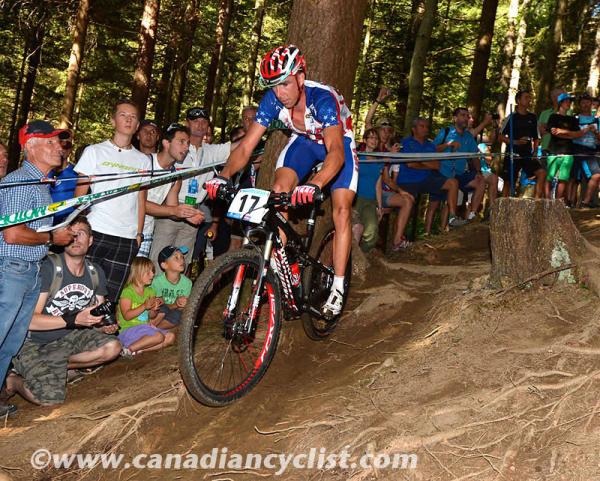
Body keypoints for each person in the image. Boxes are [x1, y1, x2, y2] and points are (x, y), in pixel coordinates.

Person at [207, 45, 358, 318]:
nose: (280, 93)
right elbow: (245, 148)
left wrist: (316, 183)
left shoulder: (322, 99)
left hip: (336, 142)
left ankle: (337, 285)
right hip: (303, 142)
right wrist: (223, 176)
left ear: (301, 77)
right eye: (274, 86)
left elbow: (336, 152)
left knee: (342, 209)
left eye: (286, 84)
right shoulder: (272, 100)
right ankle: (282, 265)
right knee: (278, 191)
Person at [0, 120, 75, 416]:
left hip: (28, 272)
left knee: (11, 341)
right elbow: (13, 234)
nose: (59, 148)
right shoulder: (23, 181)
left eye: (60, 142)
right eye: (51, 142)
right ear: (31, 146)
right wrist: (53, 238)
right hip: (11, 270)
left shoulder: (41, 184)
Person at [5, 216, 120, 406]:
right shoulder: (49, 268)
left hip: (67, 338)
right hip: (32, 343)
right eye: (70, 233)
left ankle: (56, 366)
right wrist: (73, 320)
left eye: (81, 233)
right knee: (49, 398)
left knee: (113, 347)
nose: (75, 238)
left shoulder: (95, 271)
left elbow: (97, 316)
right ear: (62, 238)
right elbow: (29, 321)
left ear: (90, 240)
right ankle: (13, 380)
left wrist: (104, 326)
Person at [74, 99, 151, 301]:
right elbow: (80, 193)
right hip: (96, 230)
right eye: (123, 115)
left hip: (127, 236)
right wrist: (75, 225)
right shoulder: (94, 151)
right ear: (112, 120)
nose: (128, 120)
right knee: (81, 287)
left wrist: (139, 233)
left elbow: (141, 198)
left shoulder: (143, 160)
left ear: (137, 126)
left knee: (109, 295)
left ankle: (99, 333)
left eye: (133, 117)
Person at [150, 106, 235, 267]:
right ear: (187, 123)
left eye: (204, 121)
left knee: (184, 262)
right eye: (195, 121)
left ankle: (181, 293)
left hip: (194, 213)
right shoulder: (178, 148)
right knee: (159, 259)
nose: (200, 124)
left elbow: (240, 146)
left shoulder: (212, 151)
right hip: (169, 211)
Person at [387, 117, 467, 234]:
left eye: (426, 127)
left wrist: (420, 161)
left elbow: (436, 165)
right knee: (405, 208)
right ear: (414, 129)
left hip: (427, 178)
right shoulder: (405, 143)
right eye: (422, 126)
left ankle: (452, 217)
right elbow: (410, 164)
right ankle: (398, 239)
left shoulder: (430, 145)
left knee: (453, 183)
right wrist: (425, 163)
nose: (425, 129)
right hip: (407, 180)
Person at [139, 124, 204, 259]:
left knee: (139, 278)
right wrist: (174, 211)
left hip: (146, 231)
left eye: (187, 143)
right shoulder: (144, 163)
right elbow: (139, 203)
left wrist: (186, 214)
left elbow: (172, 209)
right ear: (166, 143)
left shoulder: (175, 176)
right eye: (181, 142)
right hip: (126, 228)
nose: (186, 147)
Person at [356, 129, 414, 252]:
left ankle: (360, 256)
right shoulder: (357, 157)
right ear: (365, 140)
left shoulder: (379, 161)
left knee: (372, 234)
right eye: (371, 138)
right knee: (356, 228)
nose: (374, 140)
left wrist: (380, 206)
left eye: (376, 138)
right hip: (355, 199)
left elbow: (378, 184)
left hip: (371, 201)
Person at [432, 107, 487, 222]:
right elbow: (432, 149)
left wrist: (478, 172)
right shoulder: (446, 131)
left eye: (467, 116)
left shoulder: (468, 136)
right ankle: (439, 230)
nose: (466, 118)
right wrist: (448, 144)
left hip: (460, 174)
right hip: (443, 174)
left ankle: (472, 213)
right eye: (463, 115)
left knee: (481, 180)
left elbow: (474, 156)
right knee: (434, 205)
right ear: (455, 118)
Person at [117, 257, 174, 357]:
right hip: (128, 330)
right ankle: (128, 349)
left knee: (171, 337)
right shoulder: (127, 291)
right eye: (148, 272)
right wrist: (144, 306)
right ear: (138, 272)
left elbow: (151, 316)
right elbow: (126, 316)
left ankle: (136, 350)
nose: (152, 274)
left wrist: (154, 309)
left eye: (152, 271)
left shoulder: (150, 291)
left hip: (144, 328)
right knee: (159, 337)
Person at [546, 93, 593, 200]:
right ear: (560, 103)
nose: (569, 103)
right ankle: (547, 201)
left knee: (564, 179)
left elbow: (577, 134)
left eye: (570, 101)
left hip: (568, 152)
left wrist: (563, 132)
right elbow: (554, 132)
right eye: (567, 101)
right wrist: (571, 135)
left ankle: (558, 202)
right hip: (554, 151)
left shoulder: (572, 119)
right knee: (549, 177)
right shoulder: (553, 117)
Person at [500, 90, 546, 198]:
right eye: (526, 97)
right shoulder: (511, 117)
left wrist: (535, 151)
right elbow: (500, 136)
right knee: (508, 181)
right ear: (518, 100)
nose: (529, 100)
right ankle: (503, 206)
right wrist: (515, 142)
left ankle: (537, 202)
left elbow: (536, 137)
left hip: (527, 153)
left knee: (541, 173)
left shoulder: (533, 117)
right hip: (512, 153)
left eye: (529, 97)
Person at [151, 246, 192, 329]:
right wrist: (175, 304)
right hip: (160, 311)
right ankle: (150, 327)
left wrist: (182, 304)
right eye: (176, 258)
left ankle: (155, 329)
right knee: (163, 309)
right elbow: (158, 305)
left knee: (179, 315)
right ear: (164, 265)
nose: (182, 260)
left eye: (182, 257)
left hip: (174, 312)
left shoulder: (187, 283)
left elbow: (182, 308)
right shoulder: (156, 282)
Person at [575, 94, 600, 207]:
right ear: (580, 105)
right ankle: (577, 202)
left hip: (592, 151)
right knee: (574, 178)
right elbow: (571, 135)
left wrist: (595, 132)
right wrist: (584, 130)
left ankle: (585, 202)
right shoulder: (575, 118)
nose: (585, 104)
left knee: (596, 176)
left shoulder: (596, 119)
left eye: (587, 102)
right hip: (579, 151)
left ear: (592, 104)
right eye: (583, 102)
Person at [49, 131, 78, 225]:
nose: (62, 148)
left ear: (71, 149)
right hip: (40, 225)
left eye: (67, 145)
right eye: (60, 143)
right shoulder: (42, 172)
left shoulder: (77, 174)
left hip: (66, 226)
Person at [539, 88, 565, 154]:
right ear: (553, 98)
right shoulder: (544, 113)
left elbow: (565, 129)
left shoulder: (569, 112)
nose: (563, 98)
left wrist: (547, 127)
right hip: (545, 148)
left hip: (562, 149)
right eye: (560, 95)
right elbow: (539, 131)